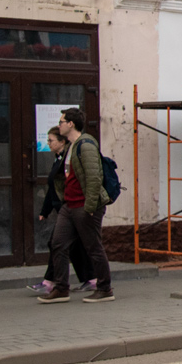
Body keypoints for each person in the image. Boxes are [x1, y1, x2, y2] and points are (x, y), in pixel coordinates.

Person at [39, 107, 113, 304]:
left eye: (62, 121)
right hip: (69, 205)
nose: (60, 124)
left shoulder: (85, 145)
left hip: (85, 206)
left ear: (70, 124)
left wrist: (90, 207)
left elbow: (93, 177)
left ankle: (105, 288)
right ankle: (61, 288)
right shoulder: (71, 146)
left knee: (93, 247)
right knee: (58, 244)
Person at [29, 127, 95, 295]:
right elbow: (54, 188)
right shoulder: (58, 158)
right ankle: (92, 279)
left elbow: (83, 180)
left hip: (73, 207)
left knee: (58, 243)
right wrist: (46, 210)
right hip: (66, 208)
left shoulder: (68, 157)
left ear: (61, 141)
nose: (48, 143)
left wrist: (89, 205)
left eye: (51, 140)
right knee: (74, 245)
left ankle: (51, 282)